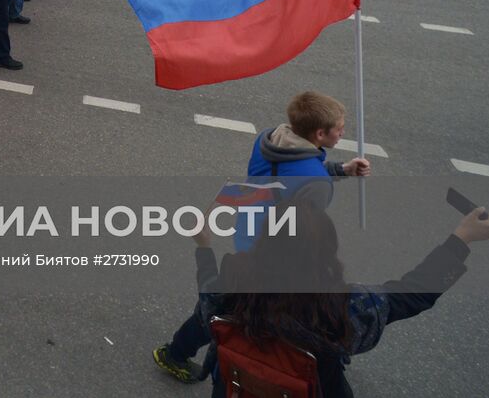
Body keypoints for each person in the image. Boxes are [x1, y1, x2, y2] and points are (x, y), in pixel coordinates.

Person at [160, 200, 489, 395]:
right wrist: (460, 240)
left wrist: (204, 247)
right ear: (326, 251)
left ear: (262, 243)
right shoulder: (345, 306)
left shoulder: (233, 279)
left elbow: (207, 295)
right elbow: (415, 293)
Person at [153, 91, 374, 383]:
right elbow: (302, 232)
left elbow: (289, 174)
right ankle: (177, 353)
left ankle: (179, 352)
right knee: (233, 308)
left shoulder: (268, 139)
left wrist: (339, 169)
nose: (343, 132)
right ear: (319, 134)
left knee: (226, 301)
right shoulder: (317, 184)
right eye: (339, 128)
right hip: (272, 254)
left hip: (246, 233)